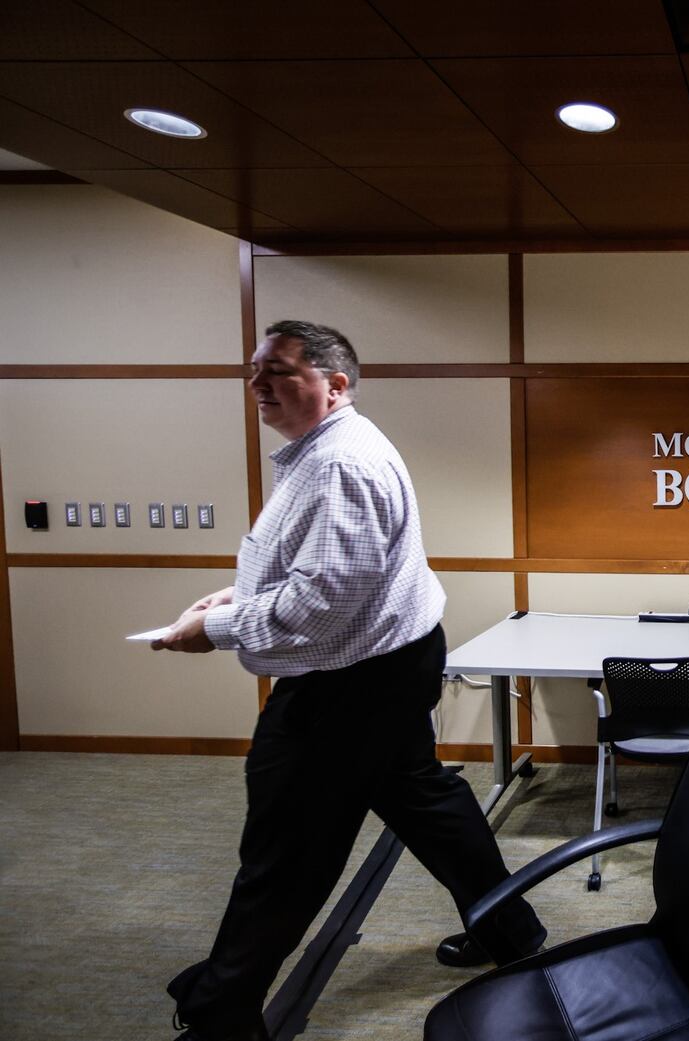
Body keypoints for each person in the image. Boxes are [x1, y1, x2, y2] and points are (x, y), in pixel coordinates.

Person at [153, 320, 545, 1041]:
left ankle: (224, 1013)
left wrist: (213, 629)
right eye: (254, 371)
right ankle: (511, 931)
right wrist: (235, 599)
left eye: (278, 371)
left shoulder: (340, 463)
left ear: (335, 385)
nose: (258, 385)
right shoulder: (320, 452)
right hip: (384, 660)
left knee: (288, 840)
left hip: (353, 680)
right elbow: (320, 573)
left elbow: (320, 604)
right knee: (425, 800)